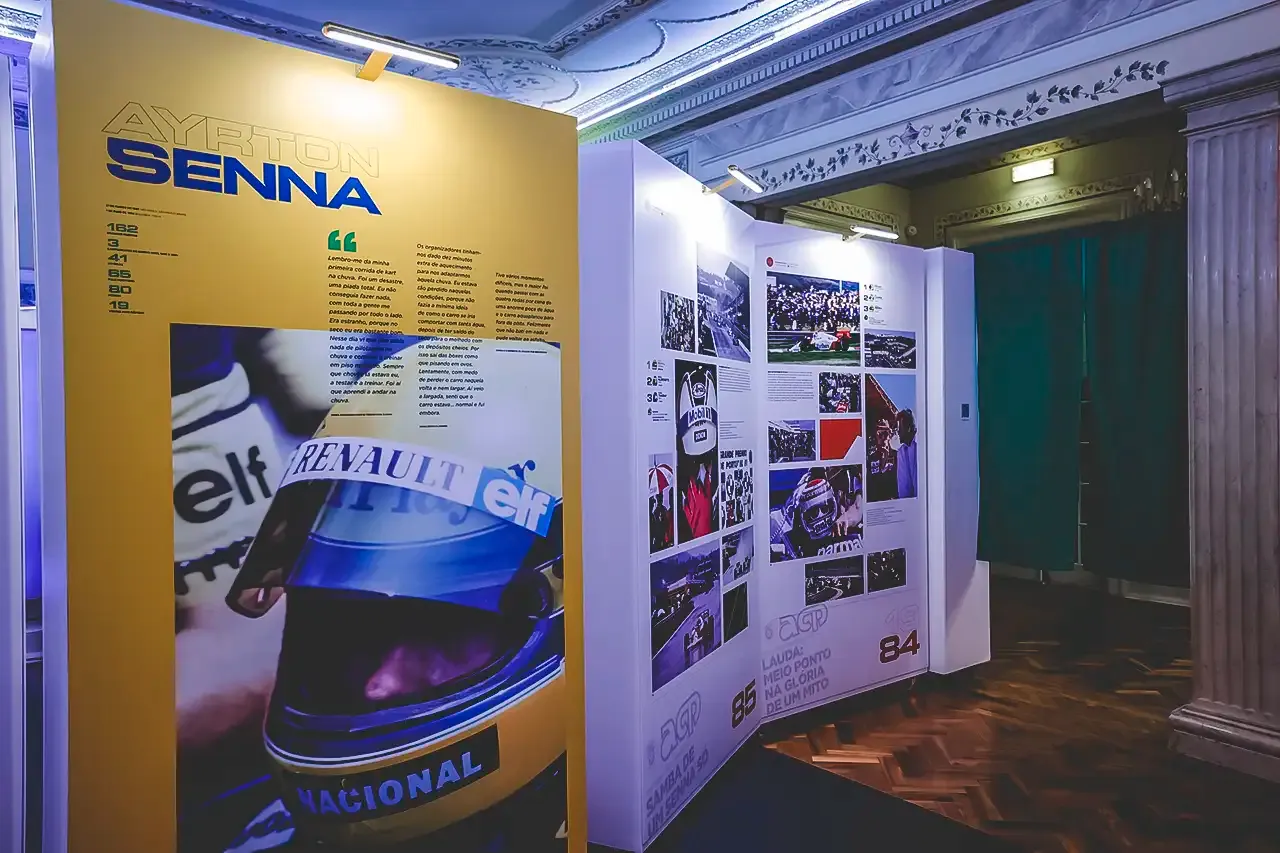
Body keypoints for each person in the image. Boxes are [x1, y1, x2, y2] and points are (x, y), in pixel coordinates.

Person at [896, 409, 918, 499]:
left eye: (900, 429)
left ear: (908, 428)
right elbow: (904, 489)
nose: (898, 432)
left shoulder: (923, 446)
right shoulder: (901, 452)